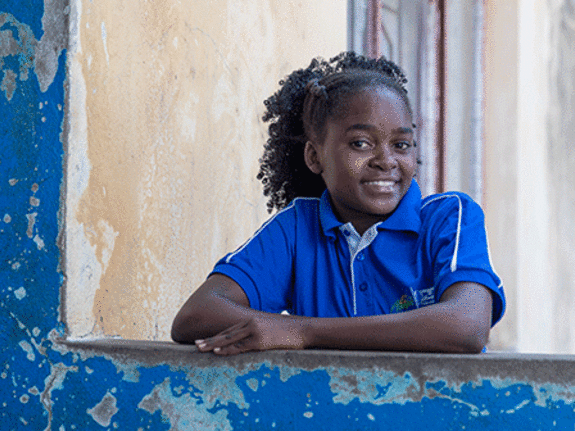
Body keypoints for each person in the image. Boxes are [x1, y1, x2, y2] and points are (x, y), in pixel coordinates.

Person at [171, 52, 506, 356]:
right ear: (315, 157)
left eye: (402, 144)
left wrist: (301, 331)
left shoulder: (449, 217)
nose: (386, 160)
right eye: (361, 143)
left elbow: (467, 326)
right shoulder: (298, 229)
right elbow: (197, 315)